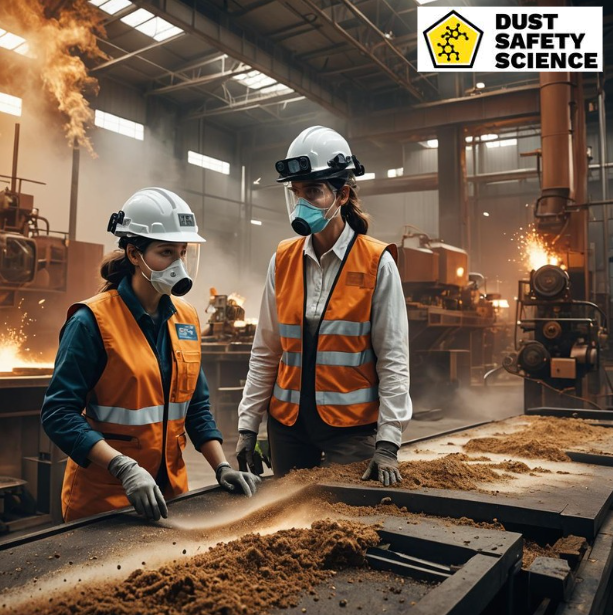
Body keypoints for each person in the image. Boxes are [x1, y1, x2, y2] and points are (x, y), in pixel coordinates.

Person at [42, 187, 260, 523]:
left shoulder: (186, 318)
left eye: (183, 253)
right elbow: (58, 414)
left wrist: (222, 466)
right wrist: (124, 468)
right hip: (105, 499)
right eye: (166, 252)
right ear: (133, 253)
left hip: (169, 497)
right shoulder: (91, 322)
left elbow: (196, 407)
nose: (178, 264)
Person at [236, 126, 411, 486]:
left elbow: (393, 358)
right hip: (287, 428)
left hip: (350, 431)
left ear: (342, 193)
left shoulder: (377, 262)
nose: (301, 203)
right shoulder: (282, 259)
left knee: (343, 525)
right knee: (290, 524)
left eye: (313, 191)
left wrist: (388, 442)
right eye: (295, 192)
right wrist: (248, 424)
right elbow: (266, 351)